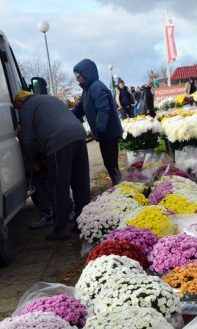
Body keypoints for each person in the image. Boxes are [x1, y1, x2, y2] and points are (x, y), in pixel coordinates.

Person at [13, 91, 91, 241]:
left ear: (21, 101)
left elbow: (26, 138)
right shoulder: (49, 98)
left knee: (58, 186)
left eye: (17, 107)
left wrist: (32, 162)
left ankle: (60, 228)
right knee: (80, 183)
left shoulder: (27, 107)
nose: (19, 111)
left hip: (57, 141)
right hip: (79, 135)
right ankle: (83, 223)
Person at [72, 59, 122, 186]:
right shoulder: (87, 90)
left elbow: (103, 109)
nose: (77, 79)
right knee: (108, 162)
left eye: (78, 75)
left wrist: (100, 129)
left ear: (86, 73)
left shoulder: (97, 88)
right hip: (103, 134)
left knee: (111, 163)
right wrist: (66, 114)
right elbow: (80, 108)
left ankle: (120, 185)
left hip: (109, 133)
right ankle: (118, 184)